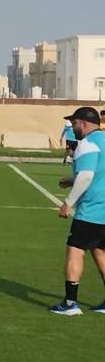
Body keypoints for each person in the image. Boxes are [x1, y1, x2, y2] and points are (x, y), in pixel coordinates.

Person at [51, 107, 105, 315]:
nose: (72, 128)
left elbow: (87, 176)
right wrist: (71, 180)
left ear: (82, 122)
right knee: (100, 252)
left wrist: (68, 202)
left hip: (92, 210)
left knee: (75, 250)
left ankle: (70, 304)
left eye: (73, 123)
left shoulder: (87, 144)